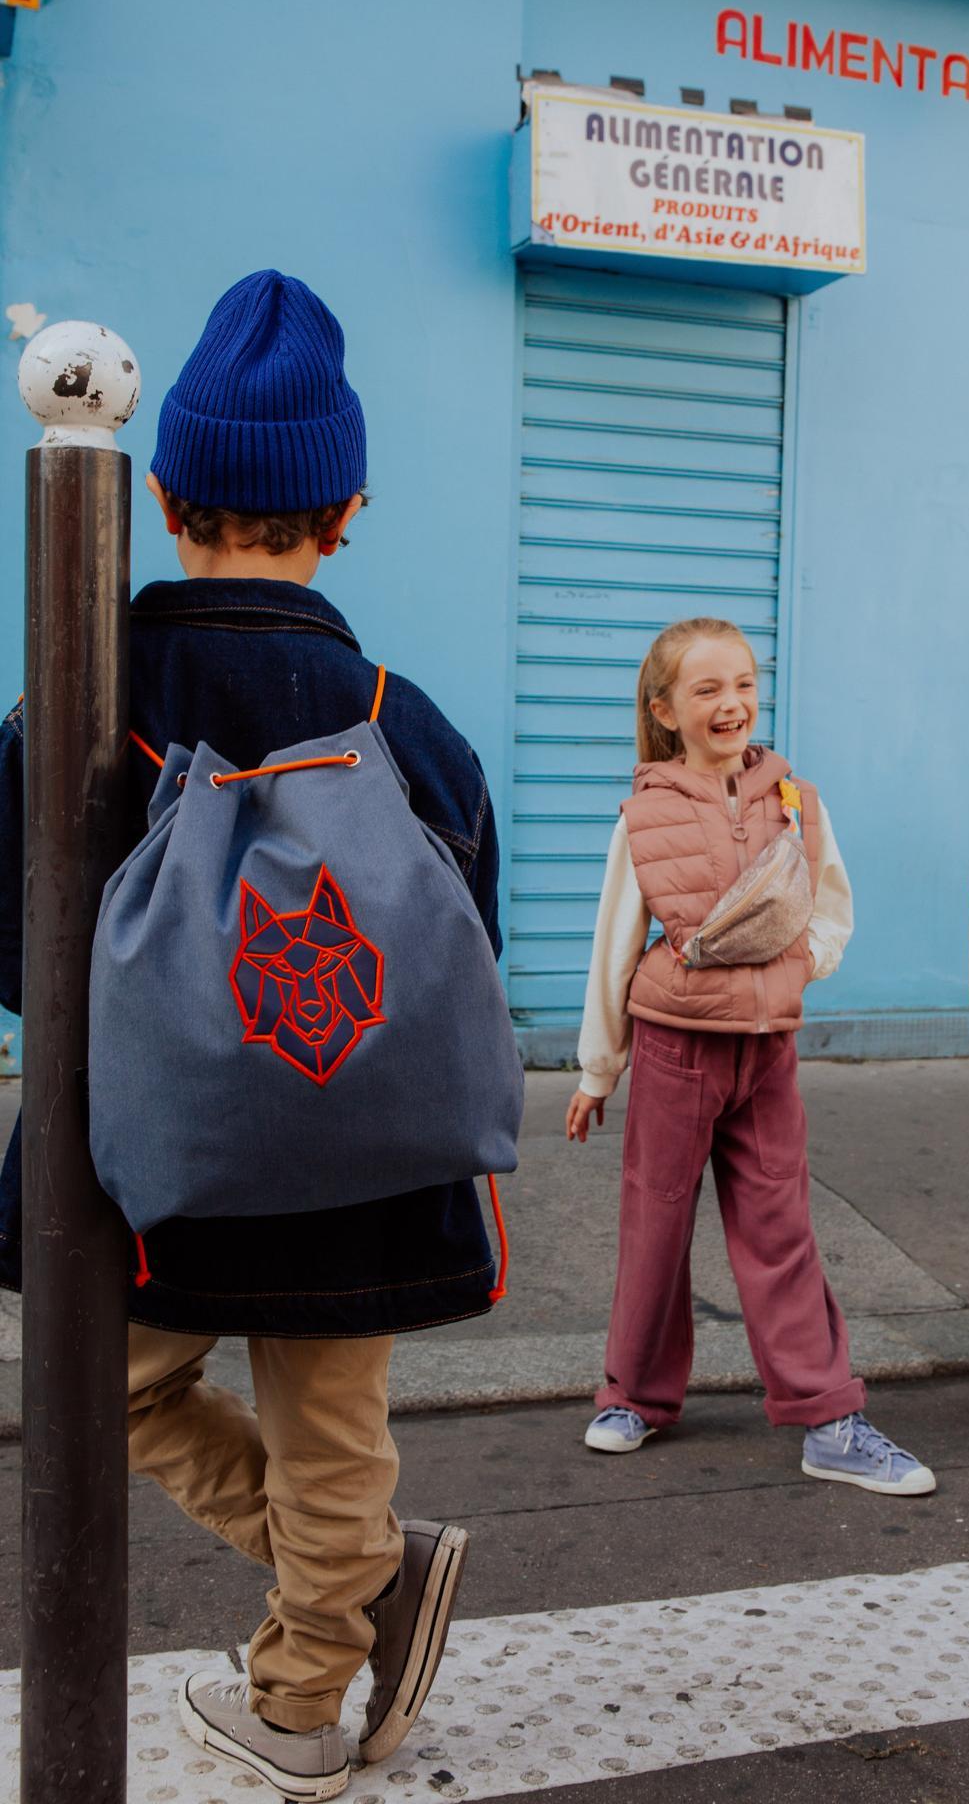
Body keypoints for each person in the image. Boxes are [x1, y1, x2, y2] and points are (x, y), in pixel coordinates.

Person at [0, 271, 505, 1801]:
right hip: (359, 1158)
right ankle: (303, 1688)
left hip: (143, 1172)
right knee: (335, 1432)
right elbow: (461, 943)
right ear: (343, 513)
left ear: (160, 496)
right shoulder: (403, 723)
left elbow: (20, 955)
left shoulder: (82, 694)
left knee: (119, 1390)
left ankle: (347, 1607)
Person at [565, 616, 935, 1496]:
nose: (731, 703)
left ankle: (827, 1416)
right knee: (653, 1222)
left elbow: (831, 904)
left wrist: (802, 965)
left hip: (767, 1053)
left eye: (743, 684)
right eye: (706, 689)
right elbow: (615, 946)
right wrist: (596, 1069)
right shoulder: (644, 812)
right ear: (665, 709)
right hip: (674, 1048)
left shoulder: (796, 799)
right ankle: (635, 1396)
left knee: (780, 1231)